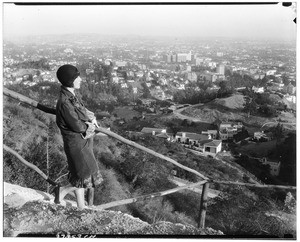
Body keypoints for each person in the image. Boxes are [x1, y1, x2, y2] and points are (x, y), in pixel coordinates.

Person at [54, 64, 103, 209]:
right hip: (76, 144)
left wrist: (90, 116)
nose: (80, 79)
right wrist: (92, 126)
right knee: (85, 174)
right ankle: (62, 190)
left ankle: (81, 206)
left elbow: (80, 111)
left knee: (80, 175)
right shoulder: (65, 102)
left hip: (81, 143)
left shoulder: (70, 95)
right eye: (77, 77)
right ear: (70, 80)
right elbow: (78, 126)